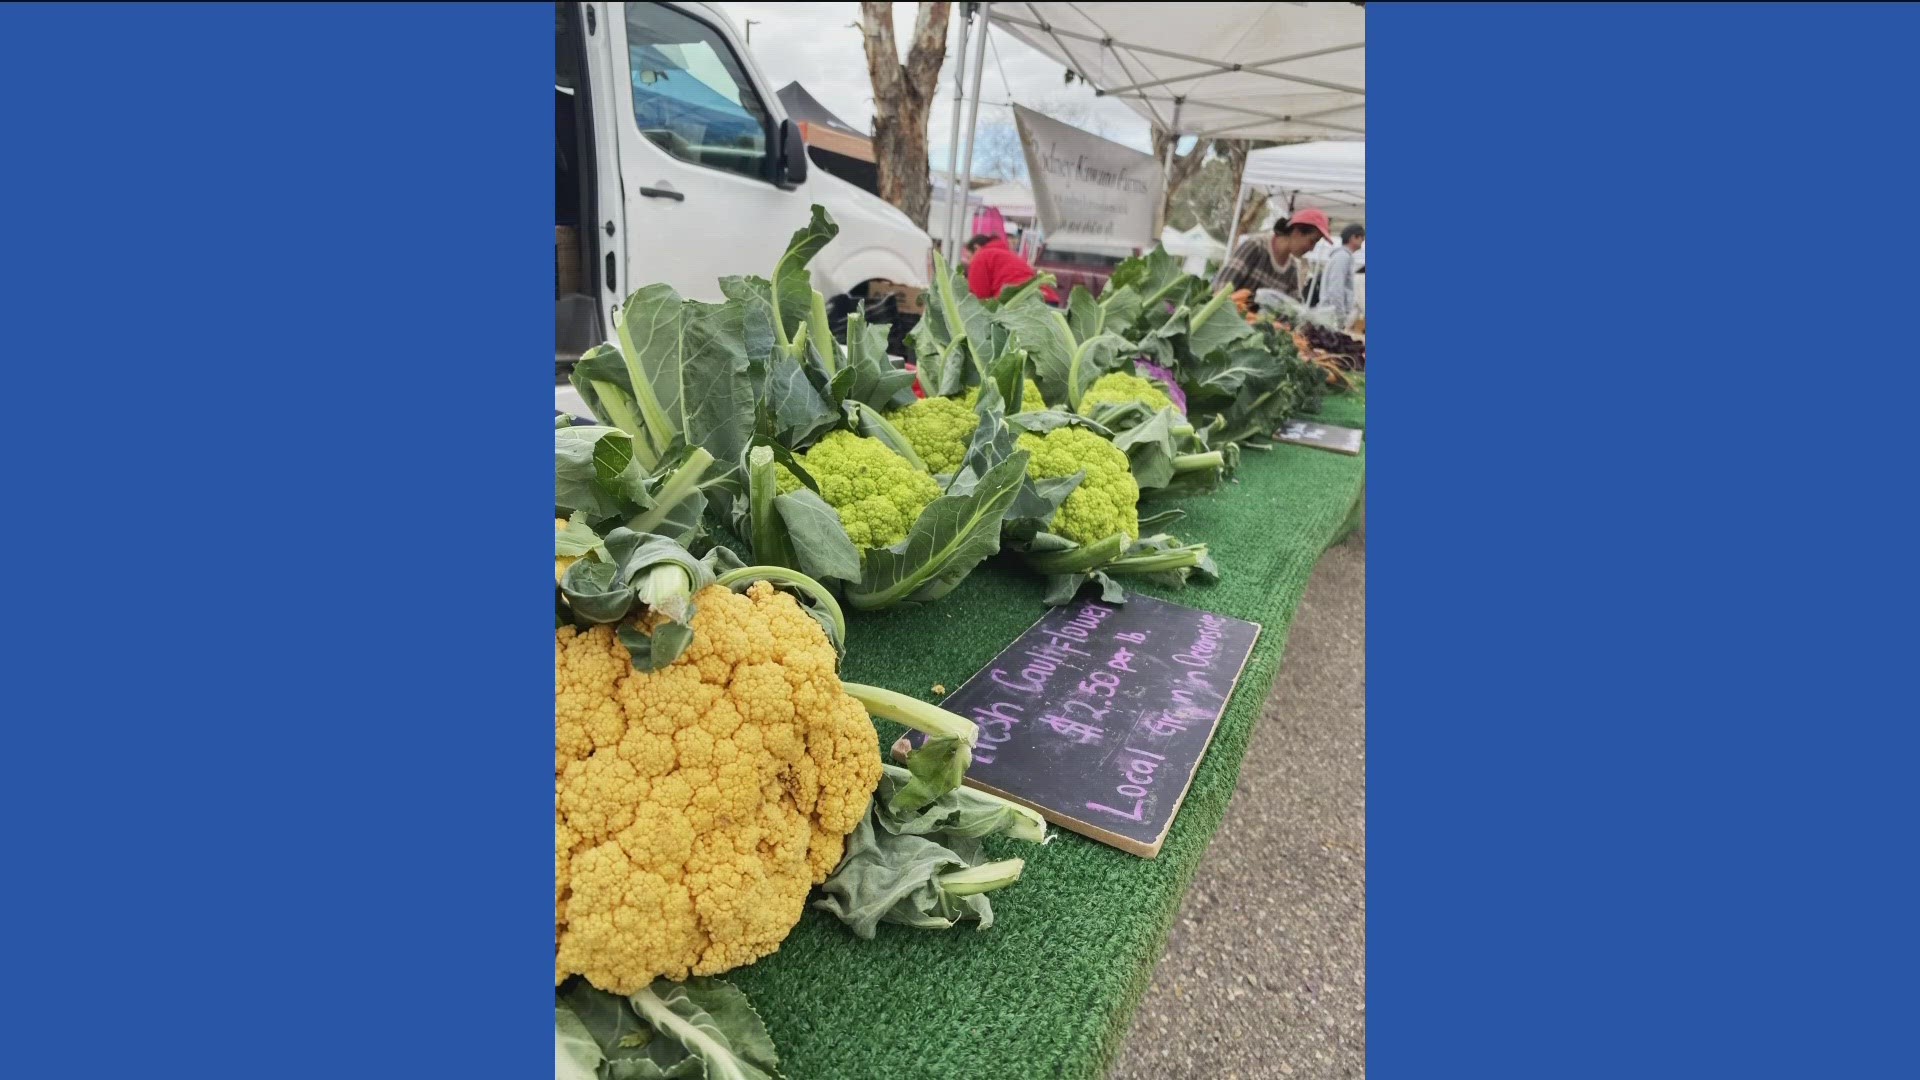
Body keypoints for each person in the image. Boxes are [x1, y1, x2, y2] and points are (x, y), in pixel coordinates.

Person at [1212, 207, 1333, 299]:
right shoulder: (1256, 246)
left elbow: (1293, 307)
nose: (1312, 249)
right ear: (1297, 232)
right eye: (1312, 241)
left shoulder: (1292, 268)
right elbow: (1221, 287)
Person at [966, 233, 1060, 305]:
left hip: (1022, 303)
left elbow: (978, 299)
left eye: (968, 257)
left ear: (976, 248)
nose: (969, 262)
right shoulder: (1007, 254)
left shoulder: (981, 256)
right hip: (1046, 298)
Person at [1319, 223, 1366, 327]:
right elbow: (1336, 289)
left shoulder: (1343, 256)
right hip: (1332, 316)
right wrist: (1341, 318)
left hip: (1331, 314)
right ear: (1353, 237)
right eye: (1362, 239)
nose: (1362, 242)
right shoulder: (1343, 257)